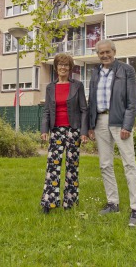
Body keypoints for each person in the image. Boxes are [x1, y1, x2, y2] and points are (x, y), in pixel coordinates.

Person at [88, 39, 136, 227]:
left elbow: (132, 101)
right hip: (100, 122)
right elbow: (91, 101)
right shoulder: (95, 73)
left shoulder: (126, 70)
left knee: (129, 164)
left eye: (107, 52)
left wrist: (127, 125)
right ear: (98, 55)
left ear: (114, 51)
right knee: (105, 164)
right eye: (101, 53)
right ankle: (113, 203)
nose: (104, 55)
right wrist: (90, 124)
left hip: (120, 122)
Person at [40, 53, 88, 214]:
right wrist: (44, 130)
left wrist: (83, 132)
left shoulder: (78, 85)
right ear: (56, 67)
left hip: (73, 130)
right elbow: (46, 110)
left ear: (70, 68)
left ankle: (70, 203)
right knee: (53, 166)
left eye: (66, 65)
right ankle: (49, 202)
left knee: (72, 166)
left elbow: (83, 110)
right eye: (60, 65)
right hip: (56, 130)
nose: (63, 67)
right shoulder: (50, 87)